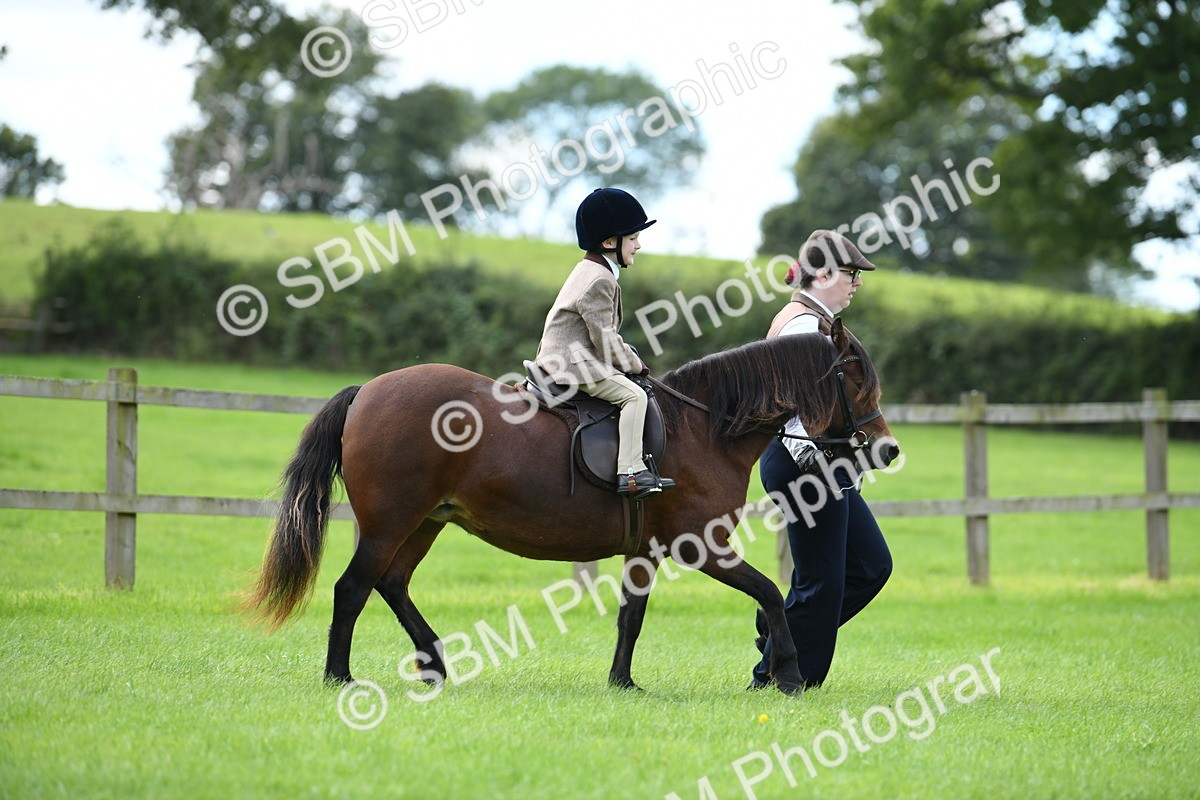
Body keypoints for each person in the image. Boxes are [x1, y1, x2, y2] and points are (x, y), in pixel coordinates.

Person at [749, 229, 892, 689]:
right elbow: (791, 408)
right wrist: (819, 470)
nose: (858, 282)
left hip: (821, 462)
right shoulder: (802, 325)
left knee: (871, 567)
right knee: (820, 582)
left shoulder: (817, 320)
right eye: (851, 273)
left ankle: (780, 628)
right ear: (824, 273)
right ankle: (777, 677)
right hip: (802, 462)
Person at [532, 188, 675, 499]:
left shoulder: (591, 269)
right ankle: (631, 471)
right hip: (573, 363)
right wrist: (637, 365)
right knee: (635, 396)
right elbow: (606, 340)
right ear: (610, 242)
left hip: (568, 356)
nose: (639, 245)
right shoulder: (600, 279)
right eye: (633, 238)